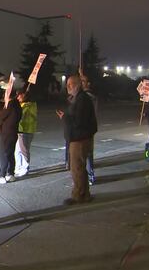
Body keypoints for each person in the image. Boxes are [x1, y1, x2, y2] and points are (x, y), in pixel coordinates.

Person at [56, 75, 97, 205]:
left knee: (77, 168)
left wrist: (65, 117)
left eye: (71, 84)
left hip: (80, 139)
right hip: (79, 137)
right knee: (79, 167)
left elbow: (79, 121)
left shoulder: (82, 100)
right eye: (67, 84)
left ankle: (79, 195)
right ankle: (84, 194)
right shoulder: (78, 99)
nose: (68, 87)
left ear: (78, 85)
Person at [0, 90, 22, 184]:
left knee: (4, 153)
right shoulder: (17, 105)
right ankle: (10, 174)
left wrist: (0, 113)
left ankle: (2, 175)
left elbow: (3, 116)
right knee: (10, 153)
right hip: (13, 132)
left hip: (7, 133)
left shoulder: (10, 104)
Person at [13, 88, 37, 177]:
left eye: (19, 95)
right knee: (17, 151)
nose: (18, 97)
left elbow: (20, 114)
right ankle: (18, 167)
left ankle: (25, 168)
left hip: (26, 130)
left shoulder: (29, 105)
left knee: (24, 150)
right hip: (21, 130)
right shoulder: (23, 105)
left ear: (24, 95)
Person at [80, 72, 97, 185]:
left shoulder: (90, 96)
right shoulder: (83, 95)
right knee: (82, 154)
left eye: (83, 81)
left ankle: (91, 176)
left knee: (88, 154)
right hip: (82, 128)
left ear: (88, 84)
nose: (81, 83)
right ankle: (84, 176)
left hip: (88, 128)